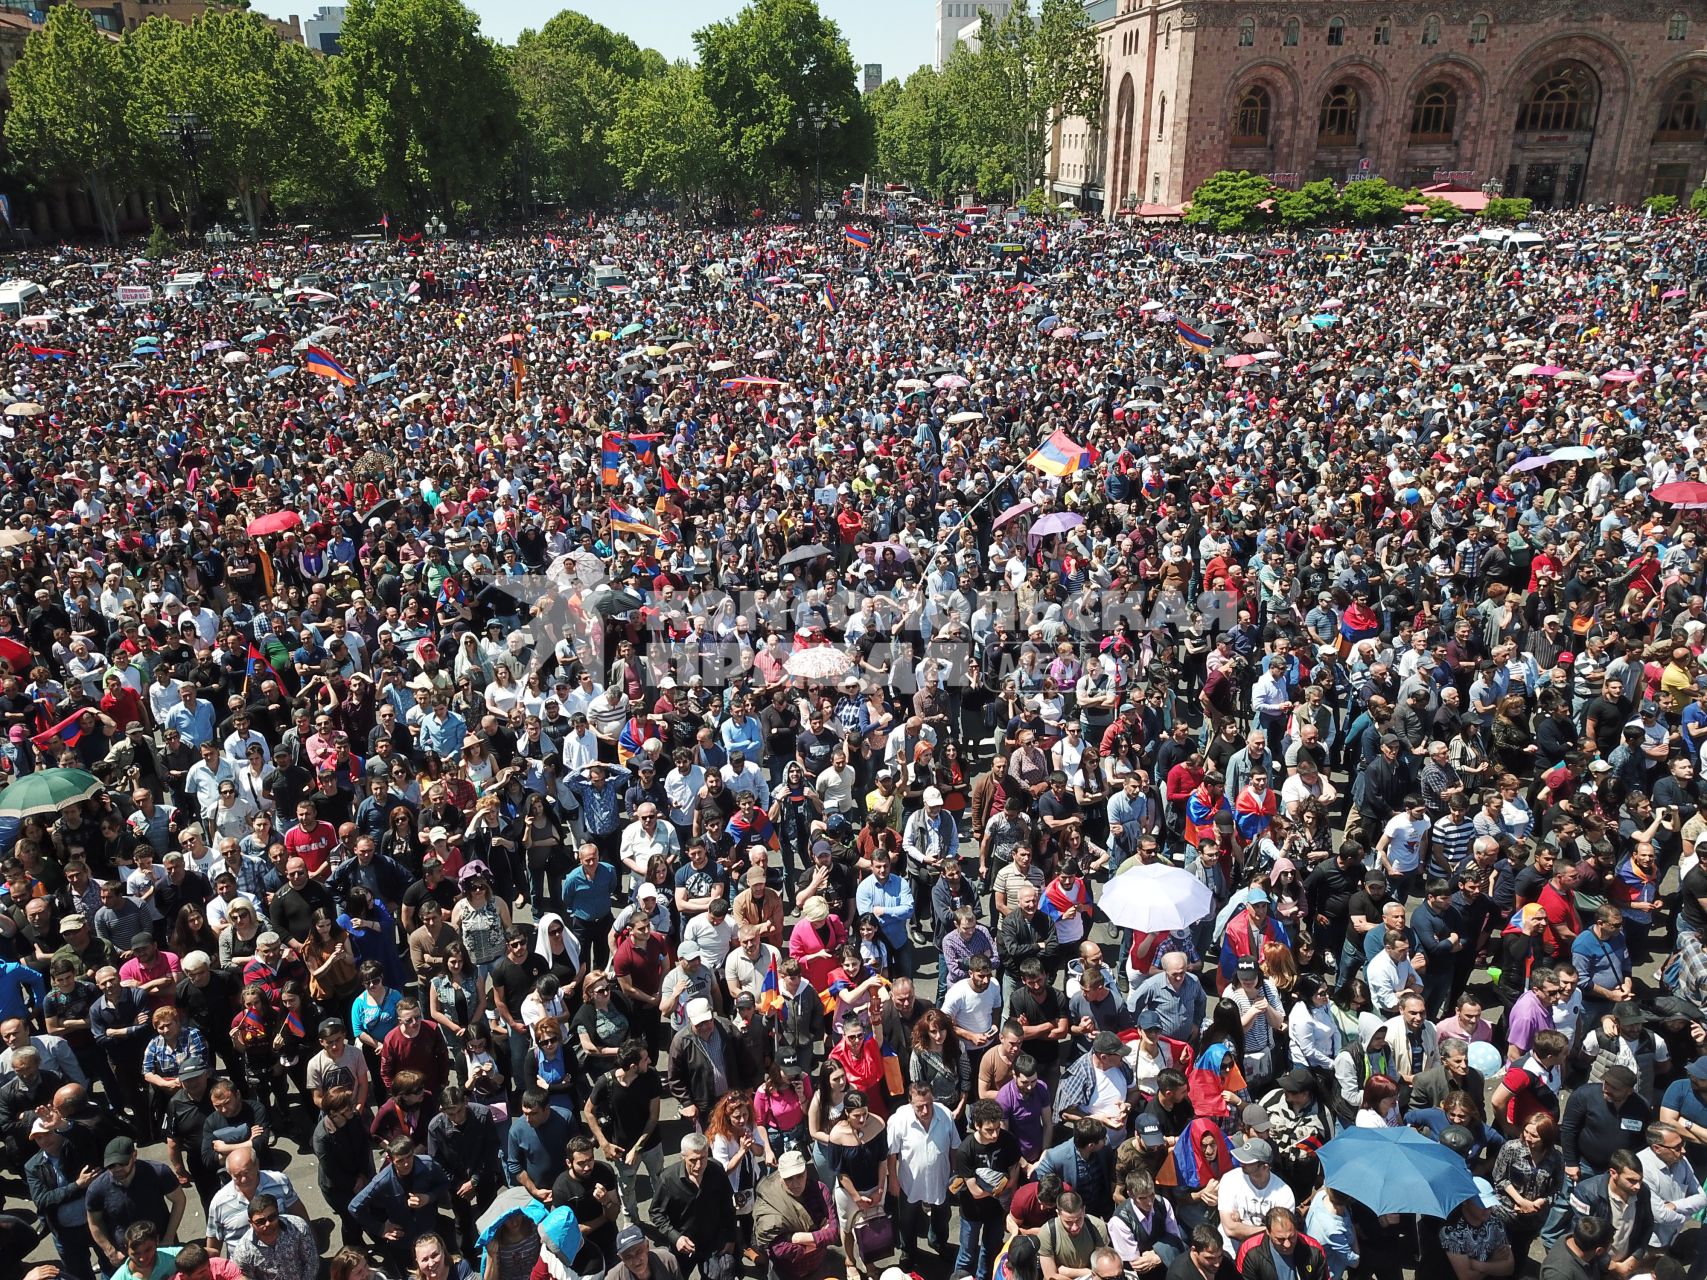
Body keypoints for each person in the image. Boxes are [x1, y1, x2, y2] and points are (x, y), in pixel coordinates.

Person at [649, 1134, 737, 1280]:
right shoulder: (668, 1178)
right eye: (693, 1160)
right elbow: (656, 1212)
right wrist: (675, 1237)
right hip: (683, 1246)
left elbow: (727, 1205)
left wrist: (730, 1237)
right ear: (682, 1156)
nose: (698, 1165)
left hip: (712, 1243)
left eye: (703, 1158)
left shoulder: (716, 1170)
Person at [752, 1149, 838, 1280]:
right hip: (785, 1271)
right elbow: (779, 1250)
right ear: (780, 1176)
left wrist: (794, 1238)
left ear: (806, 1172)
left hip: (816, 1265)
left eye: (800, 1176)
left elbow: (833, 1233)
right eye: (789, 1179)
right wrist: (818, 1239)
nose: (796, 1184)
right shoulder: (769, 1203)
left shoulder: (820, 1190)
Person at [227, 1195, 319, 1280]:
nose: (267, 1224)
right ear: (251, 1223)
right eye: (260, 1221)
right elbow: (246, 1278)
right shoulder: (243, 1251)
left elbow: (311, 1261)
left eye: (272, 1217)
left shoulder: (298, 1227)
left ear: (278, 1213)